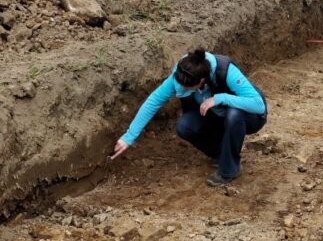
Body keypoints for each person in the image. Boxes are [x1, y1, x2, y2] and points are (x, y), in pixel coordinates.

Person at [111, 49, 267, 186]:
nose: (181, 89)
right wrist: (128, 137)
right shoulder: (182, 75)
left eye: (187, 88)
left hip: (249, 117)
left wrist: (220, 98)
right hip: (217, 116)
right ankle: (222, 154)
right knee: (184, 125)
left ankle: (229, 169)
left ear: (201, 81)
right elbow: (153, 101)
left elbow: (258, 105)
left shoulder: (225, 71)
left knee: (233, 114)